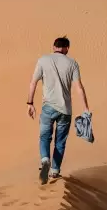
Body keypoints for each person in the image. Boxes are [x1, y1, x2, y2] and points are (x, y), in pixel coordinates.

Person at [26, 36, 90, 185]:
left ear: (54, 46)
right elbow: (79, 87)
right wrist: (86, 109)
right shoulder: (72, 63)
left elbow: (33, 82)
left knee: (44, 137)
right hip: (65, 111)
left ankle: (45, 160)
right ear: (67, 48)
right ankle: (55, 171)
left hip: (48, 107)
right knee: (60, 142)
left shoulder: (43, 60)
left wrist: (30, 102)